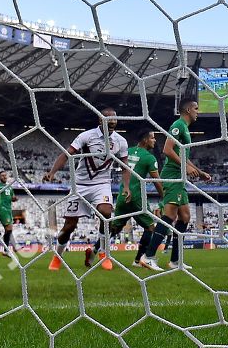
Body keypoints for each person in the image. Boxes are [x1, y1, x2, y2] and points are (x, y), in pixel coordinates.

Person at [44, 107, 128, 271]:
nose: (112, 121)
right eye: (108, 118)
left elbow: (125, 166)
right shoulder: (86, 136)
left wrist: (126, 186)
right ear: (99, 120)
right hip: (80, 185)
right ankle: (57, 257)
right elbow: (67, 154)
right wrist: (52, 172)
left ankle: (104, 253)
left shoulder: (121, 141)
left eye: (114, 119)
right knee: (69, 226)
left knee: (106, 213)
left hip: (102, 184)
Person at [159, 98, 213, 271]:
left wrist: (198, 171)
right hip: (172, 175)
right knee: (170, 218)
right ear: (189, 110)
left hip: (179, 176)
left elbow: (184, 156)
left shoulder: (185, 129)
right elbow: (167, 150)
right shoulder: (178, 125)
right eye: (196, 109)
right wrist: (185, 167)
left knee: (185, 218)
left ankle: (175, 260)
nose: (198, 112)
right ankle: (149, 255)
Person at [112, 127, 168, 271]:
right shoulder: (149, 157)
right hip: (137, 196)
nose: (155, 140)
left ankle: (95, 250)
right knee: (150, 227)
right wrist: (164, 197)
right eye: (152, 138)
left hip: (122, 194)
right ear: (145, 140)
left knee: (115, 227)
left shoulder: (127, 151)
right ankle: (138, 259)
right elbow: (157, 181)